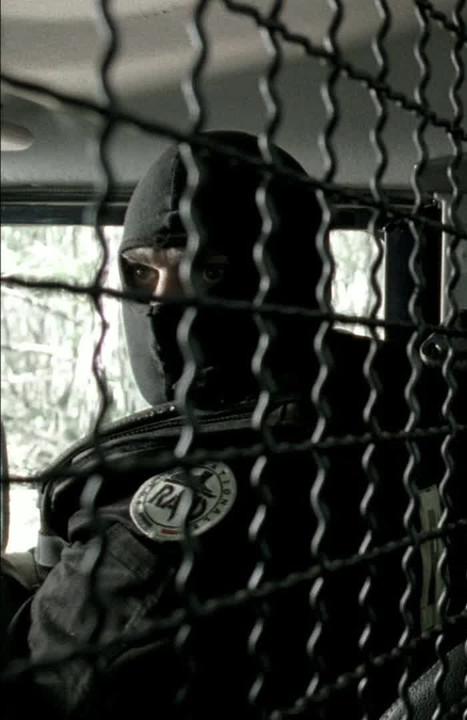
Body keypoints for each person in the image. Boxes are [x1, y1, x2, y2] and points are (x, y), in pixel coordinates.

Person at [2, 131, 419, 719]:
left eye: (212, 271)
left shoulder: (177, 506)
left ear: (284, 274)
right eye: (142, 273)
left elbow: (51, 688)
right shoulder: (385, 391)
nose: (162, 308)